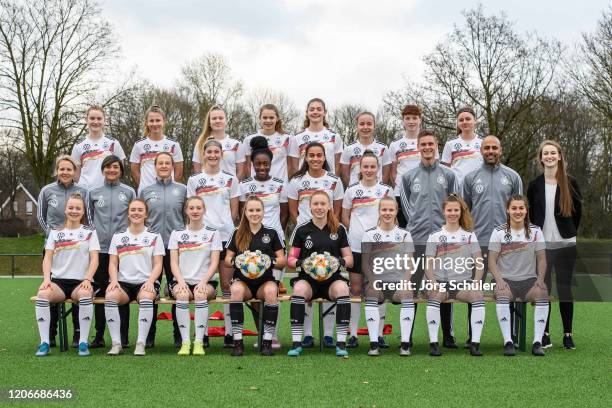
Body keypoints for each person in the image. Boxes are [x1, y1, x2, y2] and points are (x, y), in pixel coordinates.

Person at [461, 135, 522, 346]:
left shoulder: (513, 177)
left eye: (494, 148)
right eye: (486, 148)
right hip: (477, 244)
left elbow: (519, 212)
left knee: (509, 288)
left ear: (500, 150)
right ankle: (472, 336)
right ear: (481, 150)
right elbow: (464, 212)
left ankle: (511, 335)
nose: (490, 151)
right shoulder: (470, 178)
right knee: (474, 288)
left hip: (506, 245)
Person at [399, 130, 457, 347]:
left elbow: (455, 205)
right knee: (412, 287)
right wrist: (415, 223)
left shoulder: (449, 175)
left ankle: (448, 335)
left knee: (443, 287)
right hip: (417, 240)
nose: (427, 147)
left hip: (443, 242)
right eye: (423, 144)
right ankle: (408, 335)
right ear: (418, 147)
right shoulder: (408, 177)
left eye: (430, 143)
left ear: (436, 145)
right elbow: (406, 207)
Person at [287, 141, 344, 346]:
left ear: (324, 157)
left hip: (328, 233)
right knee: (306, 286)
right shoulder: (296, 180)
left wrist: (329, 228)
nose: (315, 159)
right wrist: (306, 229)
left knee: (331, 280)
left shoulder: (334, 180)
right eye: (311, 155)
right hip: (307, 237)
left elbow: (337, 208)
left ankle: (328, 335)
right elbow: (293, 210)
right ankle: (308, 334)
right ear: (306, 157)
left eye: (319, 155)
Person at [527, 140, 582, 350]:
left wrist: (569, 232)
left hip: (566, 244)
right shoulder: (534, 185)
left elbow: (578, 213)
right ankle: (545, 333)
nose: (549, 156)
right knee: (543, 288)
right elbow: (530, 216)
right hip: (542, 246)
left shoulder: (571, 183)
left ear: (559, 156)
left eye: (553, 153)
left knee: (565, 289)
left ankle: (568, 334)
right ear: (541, 158)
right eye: (545, 153)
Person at [286, 191, 353, 357]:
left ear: (329, 206)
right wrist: (302, 263)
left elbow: (349, 258)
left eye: (323, 204)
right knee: (299, 291)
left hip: (332, 280)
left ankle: (341, 343)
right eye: (315, 204)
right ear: (310, 206)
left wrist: (340, 262)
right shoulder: (301, 229)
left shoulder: (339, 228)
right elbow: (291, 258)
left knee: (343, 290)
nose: (319, 207)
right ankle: (296, 343)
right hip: (308, 279)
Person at [187, 138, 239, 347]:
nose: (213, 155)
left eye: (217, 152)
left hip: (225, 235)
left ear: (221, 154)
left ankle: (228, 333)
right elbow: (192, 207)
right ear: (204, 154)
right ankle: (204, 334)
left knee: (227, 284)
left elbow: (235, 208)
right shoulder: (194, 180)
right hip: (203, 237)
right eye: (209, 152)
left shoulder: (230, 179)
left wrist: (227, 224)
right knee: (203, 285)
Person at [34, 194, 100, 357]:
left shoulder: (90, 232)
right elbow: (47, 257)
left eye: (78, 208)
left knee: (85, 294)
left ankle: (83, 342)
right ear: (65, 209)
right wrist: (47, 279)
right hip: (58, 283)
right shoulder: (55, 233)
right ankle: (45, 343)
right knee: (43, 294)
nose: (74, 211)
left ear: (83, 211)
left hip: (80, 282)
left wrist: (87, 279)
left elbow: (94, 259)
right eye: (71, 207)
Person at [239, 136, 288, 347]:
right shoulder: (244, 185)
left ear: (271, 164)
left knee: (271, 289)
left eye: (265, 164)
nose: (261, 167)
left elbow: (285, 215)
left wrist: (271, 236)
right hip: (249, 244)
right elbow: (240, 215)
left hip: (273, 243)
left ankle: (272, 335)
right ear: (252, 164)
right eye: (257, 164)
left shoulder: (279, 185)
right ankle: (262, 334)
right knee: (255, 286)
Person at [341, 151, 392, 349]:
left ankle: (378, 334)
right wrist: (356, 232)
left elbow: (390, 215)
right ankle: (353, 334)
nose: (369, 170)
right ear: (359, 169)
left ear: (378, 168)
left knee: (379, 289)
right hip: (356, 245)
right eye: (365, 166)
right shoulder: (352, 190)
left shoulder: (386, 190)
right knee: (355, 288)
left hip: (380, 247)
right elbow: (345, 216)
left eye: (372, 166)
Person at [37, 155, 89, 347]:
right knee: (50, 289)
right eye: (62, 169)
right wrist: (55, 235)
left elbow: (88, 217)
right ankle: (50, 335)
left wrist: (79, 236)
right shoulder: (47, 190)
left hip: (78, 247)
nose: (65, 172)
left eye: (69, 169)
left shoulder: (83, 191)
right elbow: (40, 217)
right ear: (57, 171)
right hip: (54, 247)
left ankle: (78, 335)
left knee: (79, 288)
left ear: (75, 172)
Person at [424, 194, 485, 357]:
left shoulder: (469, 236)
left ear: (461, 212)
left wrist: (476, 282)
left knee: (477, 295)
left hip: (462, 283)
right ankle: (434, 344)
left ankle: (475, 344)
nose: (453, 213)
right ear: (443, 212)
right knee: (435, 296)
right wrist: (433, 282)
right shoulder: (435, 236)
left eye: (456, 210)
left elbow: (479, 262)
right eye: (449, 210)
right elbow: (428, 264)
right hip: (440, 282)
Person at [225, 196, 286, 356]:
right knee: (236, 291)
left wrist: (268, 261)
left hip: (264, 281)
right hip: (243, 282)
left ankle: (267, 341)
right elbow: (226, 260)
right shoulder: (237, 233)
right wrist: (237, 261)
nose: (254, 213)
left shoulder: (271, 233)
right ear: (245, 212)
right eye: (251, 210)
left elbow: (282, 260)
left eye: (258, 210)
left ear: (263, 212)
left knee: (272, 292)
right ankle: (238, 343)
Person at [489, 195, 549, 356]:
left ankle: (537, 342)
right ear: (507, 210)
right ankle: (508, 341)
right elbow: (492, 261)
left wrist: (540, 279)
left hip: (529, 280)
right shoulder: (498, 232)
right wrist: (499, 280)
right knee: (502, 295)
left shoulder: (536, 231)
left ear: (526, 210)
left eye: (521, 208)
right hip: (506, 281)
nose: (518, 211)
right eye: (514, 208)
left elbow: (542, 259)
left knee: (542, 293)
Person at [87, 155, 136, 348]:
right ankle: (99, 336)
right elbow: (89, 221)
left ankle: (123, 338)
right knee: (100, 293)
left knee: (120, 291)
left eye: (115, 167)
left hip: (123, 250)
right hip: (99, 250)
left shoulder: (129, 192)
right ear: (102, 170)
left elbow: (135, 217)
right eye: (107, 167)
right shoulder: (93, 192)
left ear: (121, 170)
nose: (111, 170)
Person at [105, 199, 165, 356]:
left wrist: (151, 281)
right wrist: (114, 281)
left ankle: (140, 343)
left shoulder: (154, 236)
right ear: (128, 213)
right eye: (133, 210)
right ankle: (116, 343)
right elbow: (112, 263)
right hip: (123, 283)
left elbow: (158, 264)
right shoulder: (118, 236)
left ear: (146, 214)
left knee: (146, 297)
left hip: (146, 282)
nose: (136, 213)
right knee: (110, 296)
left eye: (140, 210)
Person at [141, 152, 187, 348]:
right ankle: (149, 336)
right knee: (152, 289)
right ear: (155, 166)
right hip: (152, 248)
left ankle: (179, 335)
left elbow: (189, 216)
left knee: (177, 289)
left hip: (176, 247)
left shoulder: (183, 190)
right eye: (160, 163)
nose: (164, 166)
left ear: (172, 166)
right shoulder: (145, 191)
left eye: (168, 163)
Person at [361, 196, 415, 356]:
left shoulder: (405, 235)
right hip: (377, 283)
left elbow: (410, 263)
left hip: (398, 283)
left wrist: (405, 282)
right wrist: (372, 281)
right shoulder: (370, 234)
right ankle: (373, 344)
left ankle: (405, 344)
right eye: (384, 209)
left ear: (396, 211)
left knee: (407, 294)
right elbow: (365, 263)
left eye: (391, 210)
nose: (387, 213)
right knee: (371, 293)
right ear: (379, 211)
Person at [168, 196, 222, 356]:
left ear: (204, 210)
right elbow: (173, 263)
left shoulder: (213, 233)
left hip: (206, 281)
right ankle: (185, 343)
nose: (195, 211)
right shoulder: (177, 234)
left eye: (199, 208)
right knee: (182, 294)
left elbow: (214, 263)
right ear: (186, 211)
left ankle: (198, 342)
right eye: (191, 208)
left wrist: (203, 281)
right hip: (182, 280)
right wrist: (181, 281)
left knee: (200, 293)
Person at [389, 104, 429, 228]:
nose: (411, 122)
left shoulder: (428, 142)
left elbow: (433, 167)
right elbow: (393, 172)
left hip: (423, 193)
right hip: (400, 194)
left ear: (420, 120)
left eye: (414, 118)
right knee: (402, 230)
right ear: (403, 121)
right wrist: (401, 187)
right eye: (407, 118)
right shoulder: (395, 145)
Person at [130, 105, 184, 193]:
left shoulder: (174, 145)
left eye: (158, 120)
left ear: (164, 121)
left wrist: (170, 186)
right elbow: (134, 171)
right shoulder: (138, 145)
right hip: (146, 193)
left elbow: (179, 172)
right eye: (151, 121)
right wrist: (146, 186)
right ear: (146, 123)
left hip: (168, 192)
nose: (155, 124)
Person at [71, 106, 126, 189]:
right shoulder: (78, 145)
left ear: (104, 121)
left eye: (99, 119)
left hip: (107, 190)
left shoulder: (113, 143)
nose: (96, 122)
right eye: (92, 118)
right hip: (85, 191)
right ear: (86, 120)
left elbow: (120, 169)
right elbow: (75, 174)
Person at [288, 98, 343, 176]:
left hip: (327, 184)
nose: (315, 112)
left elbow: (337, 166)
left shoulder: (334, 136)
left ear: (325, 112)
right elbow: (294, 167)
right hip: (304, 184)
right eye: (312, 109)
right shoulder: (297, 137)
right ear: (307, 113)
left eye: (319, 109)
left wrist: (333, 182)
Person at [339, 111, 391, 187]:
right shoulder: (348, 149)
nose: (365, 127)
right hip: (355, 195)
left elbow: (386, 175)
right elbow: (345, 176)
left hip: (377, 195)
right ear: (357, 126)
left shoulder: (383, 148)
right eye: (362, 124)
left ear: (374, 126)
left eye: (369, 124)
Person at [193, 106, 245, 180]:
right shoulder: (201, 143)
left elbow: (241, 172)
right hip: (207, 190)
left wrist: (232, 186)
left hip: (230, 189)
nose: (217, 121)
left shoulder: (236, 144)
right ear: (209, 123)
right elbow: (197, 171)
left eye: (221, 118)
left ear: (226, 121)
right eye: (214, 118)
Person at [242, 104, 291, 182]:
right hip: (256, 187)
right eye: (265, 118)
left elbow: (291, 166)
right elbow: (247, 166)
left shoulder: (287, 138)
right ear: (260, 118)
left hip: (280, 187)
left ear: (277, 118)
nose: (268, 121)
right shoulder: (249, 138)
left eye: (271, 118)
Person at [441, 107, 483, 184]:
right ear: (457, 123)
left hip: (479, 186)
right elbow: (444, 170)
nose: (464, 122)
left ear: (475, 121)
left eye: (468, 119)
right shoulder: (450, 143)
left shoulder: (483, 142)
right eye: (461, 120)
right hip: (457, 190)